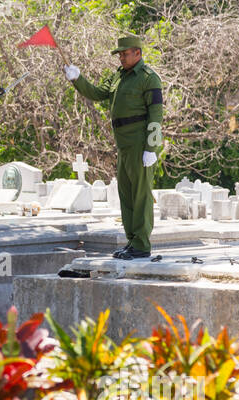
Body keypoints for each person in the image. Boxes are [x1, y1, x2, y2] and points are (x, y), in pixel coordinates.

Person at [64, 34, 164, 259]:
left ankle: (142, 244)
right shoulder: (119, 77)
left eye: (125, 53)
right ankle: (132, 241)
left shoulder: (149, 78)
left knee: (141, 195)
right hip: (124, 144)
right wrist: (77, 79)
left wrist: (151, 148)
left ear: (138, 53)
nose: (121, 57)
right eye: (119, 54)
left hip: (140, 143)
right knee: (126, 194)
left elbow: (156, 116)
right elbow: (97, 93)